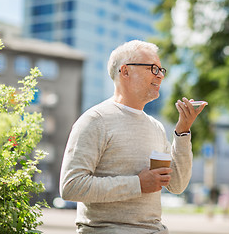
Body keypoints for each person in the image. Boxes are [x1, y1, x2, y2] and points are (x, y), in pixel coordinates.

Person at [59, 40, 207, 234]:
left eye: (162, 70)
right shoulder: (95, 120)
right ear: (125, 71)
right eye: (153, 69)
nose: (160, 76)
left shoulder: (156, 127)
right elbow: (71, 186)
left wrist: (183, 131)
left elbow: (177, 184)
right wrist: (137, 184)